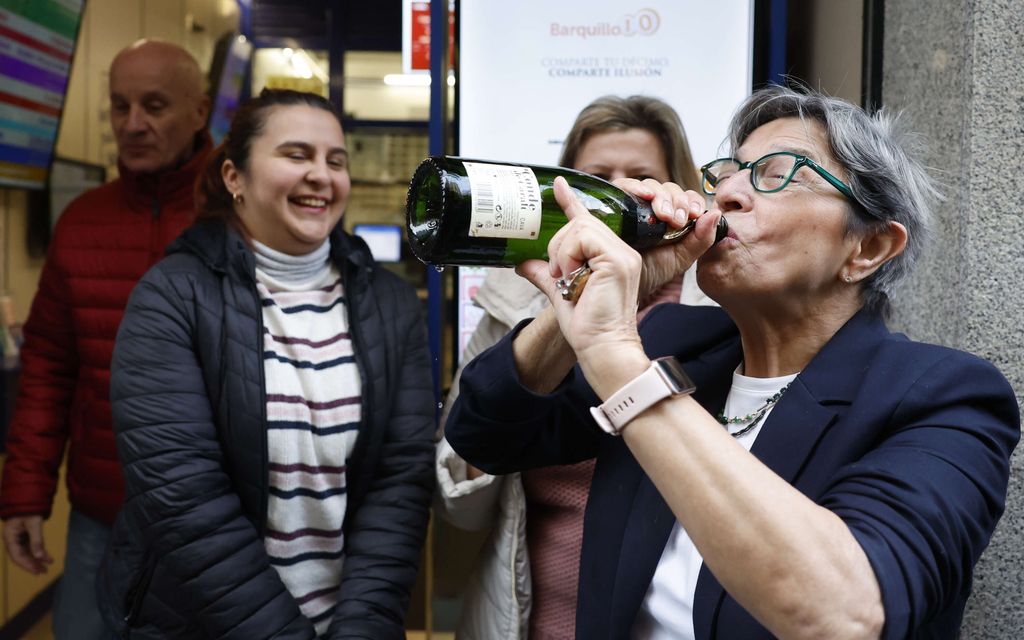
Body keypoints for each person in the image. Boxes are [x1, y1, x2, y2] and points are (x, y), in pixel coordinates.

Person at [444, 84, 1019, 639]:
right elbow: (485, 432)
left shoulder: (945, 397)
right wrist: (577, 301)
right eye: (727, 174)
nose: (727, 194)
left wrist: (618, 359)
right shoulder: (677, 340)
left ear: (867, 248)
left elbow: (843, 614)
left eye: (777, 174)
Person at [96, 88, 435, 639]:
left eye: (336, 161)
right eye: (296, 155)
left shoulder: (390, 304)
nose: (321, 176)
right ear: (235, 177)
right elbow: (184, 498)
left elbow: (400, 482)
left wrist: (361, 629)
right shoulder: (172, 297)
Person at [435, 95, 711, 640]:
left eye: (640, 175)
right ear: (566, 193)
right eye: (597, 179)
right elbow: (457, 497)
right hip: (522, 616)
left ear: (670, 187)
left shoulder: (715, 303)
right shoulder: (514, 297)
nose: (618, 192)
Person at [0, 40, 211, 640]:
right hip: (102, 514)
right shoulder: (81, 222)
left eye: (154, 106)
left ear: (199, 111)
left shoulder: (242, 217)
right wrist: (24, 494)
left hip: (218, 521)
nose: (133, 124)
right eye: (120, 106)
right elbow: (47, 370)